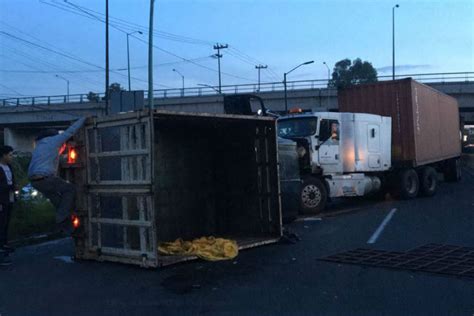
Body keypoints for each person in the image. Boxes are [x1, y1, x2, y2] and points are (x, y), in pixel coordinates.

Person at [28, 117, 86, 235]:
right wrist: (84, 118)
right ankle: (60, 219)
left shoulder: (39, 146)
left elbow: (53, 156)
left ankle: (67, 228)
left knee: (60, 204)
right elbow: (71, 131)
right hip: (45, 178)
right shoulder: (53, 140)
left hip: (35, 181)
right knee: (70, 190)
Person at [0, 145, 16, 266]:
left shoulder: (9, 167)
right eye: (10, 155)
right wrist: (10, 187)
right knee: (1, 224)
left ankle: (5, 245)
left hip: (9, 199)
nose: (12, 157)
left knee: (5, 223)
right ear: (4, 155)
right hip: (2, 200)